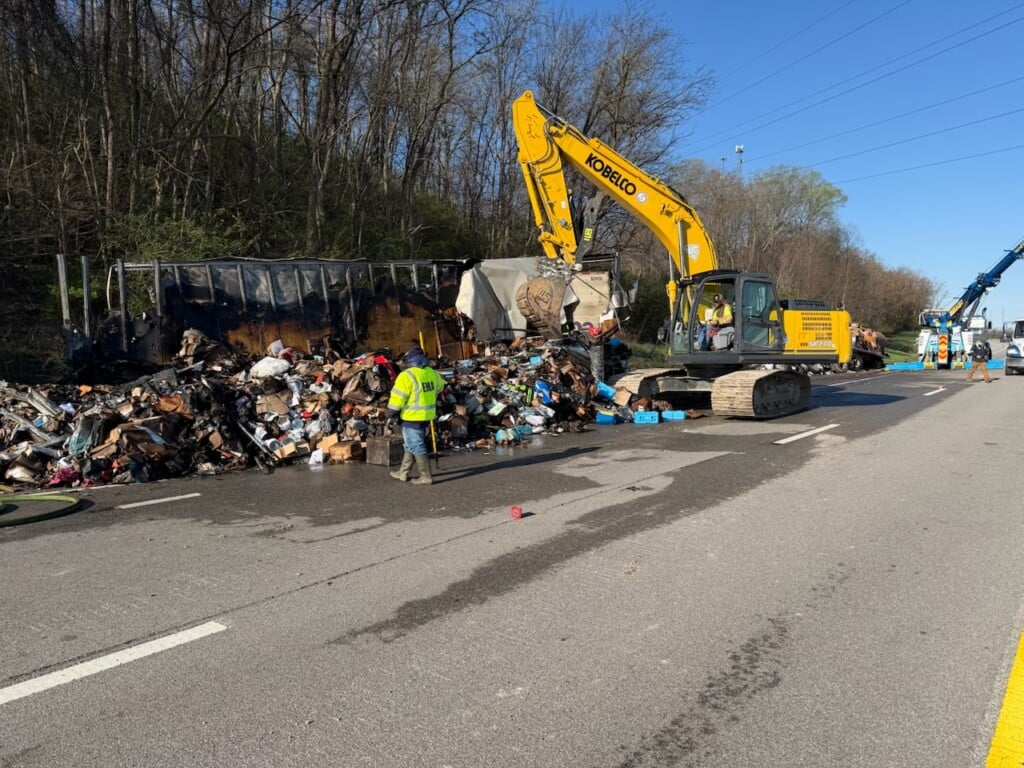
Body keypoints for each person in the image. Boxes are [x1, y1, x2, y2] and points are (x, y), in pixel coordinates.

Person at [386, 346, 445, 484]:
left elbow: (398, 398)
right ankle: (403, 472)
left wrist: (390, 411)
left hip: (411, 416)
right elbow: (440, 387)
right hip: (426, 415)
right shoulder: (432, 373)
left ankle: (425, 476)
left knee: (416, 445)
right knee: (410, 444)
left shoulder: (407, 376)